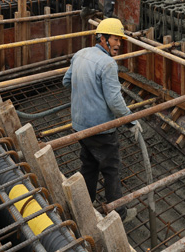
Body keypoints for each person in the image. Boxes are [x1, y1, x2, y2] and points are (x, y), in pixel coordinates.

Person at [62, 18, 140, 222]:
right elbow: (115, 101)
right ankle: (118, 214)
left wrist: (86, 91)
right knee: (111, 169)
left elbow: (66, 81)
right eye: (115, 39)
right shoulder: (107, 64)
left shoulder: (80, 54)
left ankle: (85, 208)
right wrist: (131, 121)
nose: (119, 44)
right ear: (102, 39)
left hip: (80, 126)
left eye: (120, 40)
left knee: (89, 165)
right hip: (101, 130)